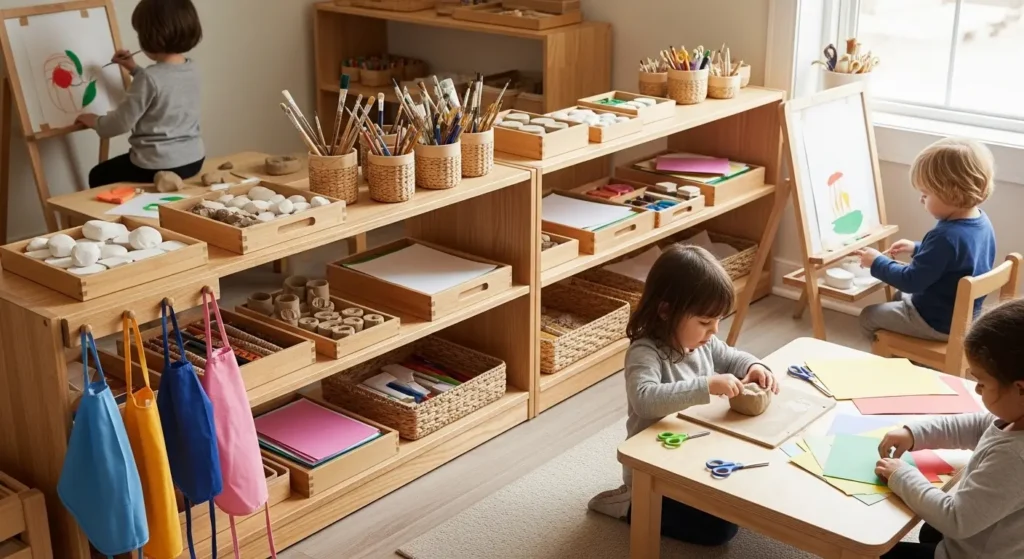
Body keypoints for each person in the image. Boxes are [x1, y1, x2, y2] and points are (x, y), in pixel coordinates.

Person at [587, 245, 779, 546]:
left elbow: (731, 357)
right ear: (666, 311)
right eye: (705, 322)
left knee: (749, 493)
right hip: (655, 470)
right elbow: (645, 399)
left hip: (693, 458)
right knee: (720, 531)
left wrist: (754, 366)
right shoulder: (645, 352)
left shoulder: (703, 343)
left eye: (718, 320)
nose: (714, 330)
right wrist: (706, 385)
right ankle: (628, 505)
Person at [876, 298, 1024, 559]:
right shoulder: (1014, 417)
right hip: (977, 533)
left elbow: (955, 519)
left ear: (1020, 388)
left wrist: (902, 475)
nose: (977, 389)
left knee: (874, 552)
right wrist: (915, 434)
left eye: (982, 382)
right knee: (929, 529)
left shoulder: (1014, 457)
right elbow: (976, 426)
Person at [857, 137, 996, 342]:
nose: (921, 199)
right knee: (897, 298)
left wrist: (877, 262)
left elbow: (910, 282)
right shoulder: (981, 221)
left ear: (952, 193)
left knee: (869, 316)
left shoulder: (944, 236)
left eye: (925, 194)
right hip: (960, 316)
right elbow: (956, 257)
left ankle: (892, 360)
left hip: (938, 322)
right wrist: (916, 248)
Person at [77, 0, 205, 187]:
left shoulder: (149, 79)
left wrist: (94, 121)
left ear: (150, 37)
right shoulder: (191, 68)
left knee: (99, 174)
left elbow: (119, 124)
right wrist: (134, 69)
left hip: (156, 164)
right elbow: (164, 88)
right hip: (193, 159)